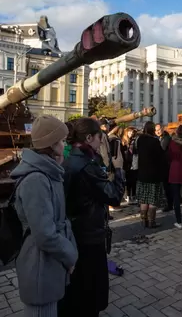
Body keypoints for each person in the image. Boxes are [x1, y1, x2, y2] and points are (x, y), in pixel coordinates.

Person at [10, 115, 78, 316]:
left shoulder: (48, 173)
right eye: (62, 140)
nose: (65, 144)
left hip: (48, 263)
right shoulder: (37, 180)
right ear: (51, 143)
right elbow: (45, 234)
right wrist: (70, 256)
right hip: (39, 266)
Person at [60, 117, 125, 316]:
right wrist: (119, 168)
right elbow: (113, 196)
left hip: (73, 233)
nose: (101, 142)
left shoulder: (69, 160)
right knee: (90, 293)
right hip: (88, 236)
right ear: (89, 138)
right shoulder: (86, 165)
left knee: (76, 290)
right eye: (99, 137)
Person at [155, 123, 173, 212]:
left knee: (167, 186)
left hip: (166, 165)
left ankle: (169, 204)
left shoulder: (166, 138)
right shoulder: (159, 138)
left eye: (159, 129)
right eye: (156, 130)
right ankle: (167, 203)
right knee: (165, 186)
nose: (157, 132)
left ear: (163, 129)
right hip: (162, 164)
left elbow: (161, 149)